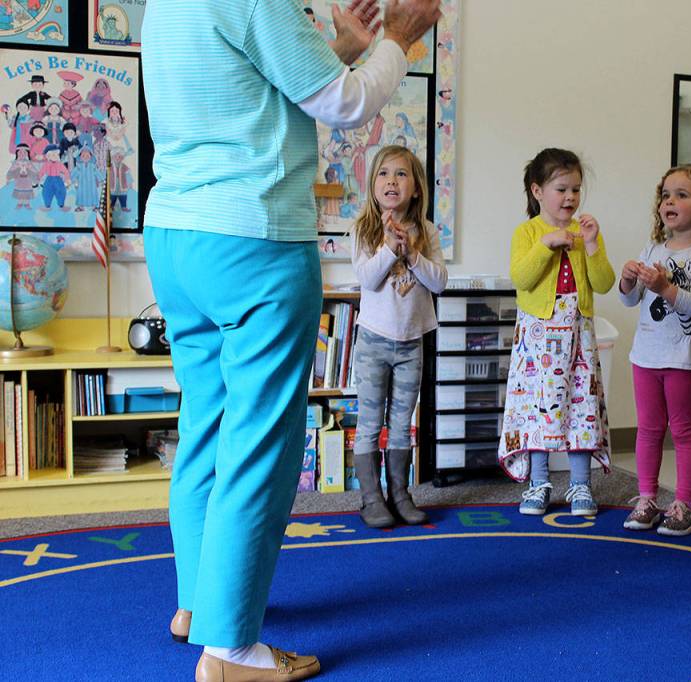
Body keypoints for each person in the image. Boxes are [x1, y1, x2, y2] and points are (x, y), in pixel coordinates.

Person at [141, 0, 441, 679]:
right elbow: (348, 102)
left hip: (177, 237)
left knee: (207, 425)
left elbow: (250, 87)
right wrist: (397, 38)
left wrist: (339, 41)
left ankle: (198, 607)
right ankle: (231, 651)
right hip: (252, 240)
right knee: (260, 443)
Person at [499, 148, 616, 516]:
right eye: (561, 189)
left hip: (578, 336)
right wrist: (545, 245)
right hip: (538, 339)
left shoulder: (584, 234)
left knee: (580, 406)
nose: (570, 198)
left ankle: (581, 484)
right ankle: (538, 483)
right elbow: (522, 278)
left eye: (576, 190)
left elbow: (604, 282)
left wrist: (594, 245)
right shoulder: (527, 232)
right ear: (537, 191)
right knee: (538, 407)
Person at [619, 165, 691, 535]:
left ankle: (684, 504)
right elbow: (631, 301)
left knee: (683, 429)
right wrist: (627, 280)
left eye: (682, 194)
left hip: (684, 357)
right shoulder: (653, 247)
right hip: (646, 353)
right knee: (648, 428)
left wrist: (667, 288)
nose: (671, 201)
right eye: (666, 194)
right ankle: (646, 498)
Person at [350, 145, 447, 528]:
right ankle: (371, 499)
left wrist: (412, 254)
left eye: (401, 174)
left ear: (417, 188)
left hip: (411, 342)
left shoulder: (427, 232)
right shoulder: (364, 229)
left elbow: (439, 283)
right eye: (384, 174)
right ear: (373, 185)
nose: (392, 180)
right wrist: (391, 249)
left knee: (403, 421)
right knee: (371, 422)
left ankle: (401, 495)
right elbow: (368, 279)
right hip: (373, 342)